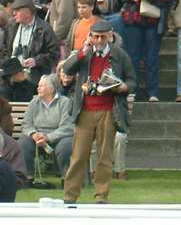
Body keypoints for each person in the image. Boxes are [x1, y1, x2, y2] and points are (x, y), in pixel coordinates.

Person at [57, 17, 135, 205]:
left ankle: (101, 196)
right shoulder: (85, 53)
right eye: (96, 37)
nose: (99, 41)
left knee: (104, 156)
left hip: (108, 110)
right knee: (78, 155)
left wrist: (122, 87)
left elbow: (132, 81)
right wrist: (83, 52)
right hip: (85, 110)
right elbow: (67, 69)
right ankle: (70, 196)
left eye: (103, 37)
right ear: (90, 36)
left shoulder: (120, 55)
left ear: (110, 36)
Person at [18, 74, 75, 177]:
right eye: (38, 85)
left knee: (66, 146)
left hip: (59, 138)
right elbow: (26, 124)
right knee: (23, 143)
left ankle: (67, 178)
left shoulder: (65, 102)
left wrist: (48, 137)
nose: (38, 88)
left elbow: (67, 127)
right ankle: (27, 177)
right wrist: (33, 134)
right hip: (36, 137)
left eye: (41, 86)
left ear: (52, 88)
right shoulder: (34, 102)